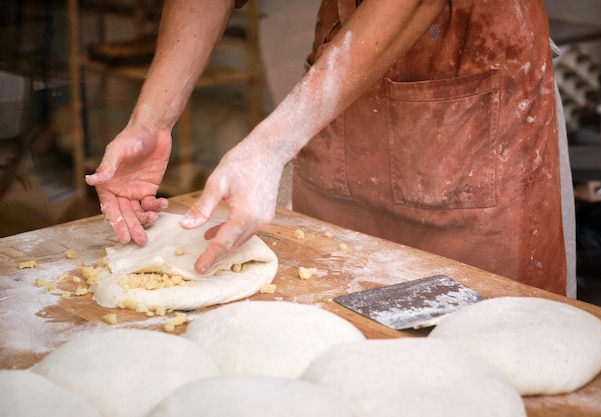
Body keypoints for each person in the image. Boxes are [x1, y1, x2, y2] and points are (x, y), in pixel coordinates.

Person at [86, 0, 571, 295]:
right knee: (331, 319)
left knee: (479, 346)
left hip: (473, 110)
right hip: (337, 105)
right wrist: (152, 118)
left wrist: (270, 147)